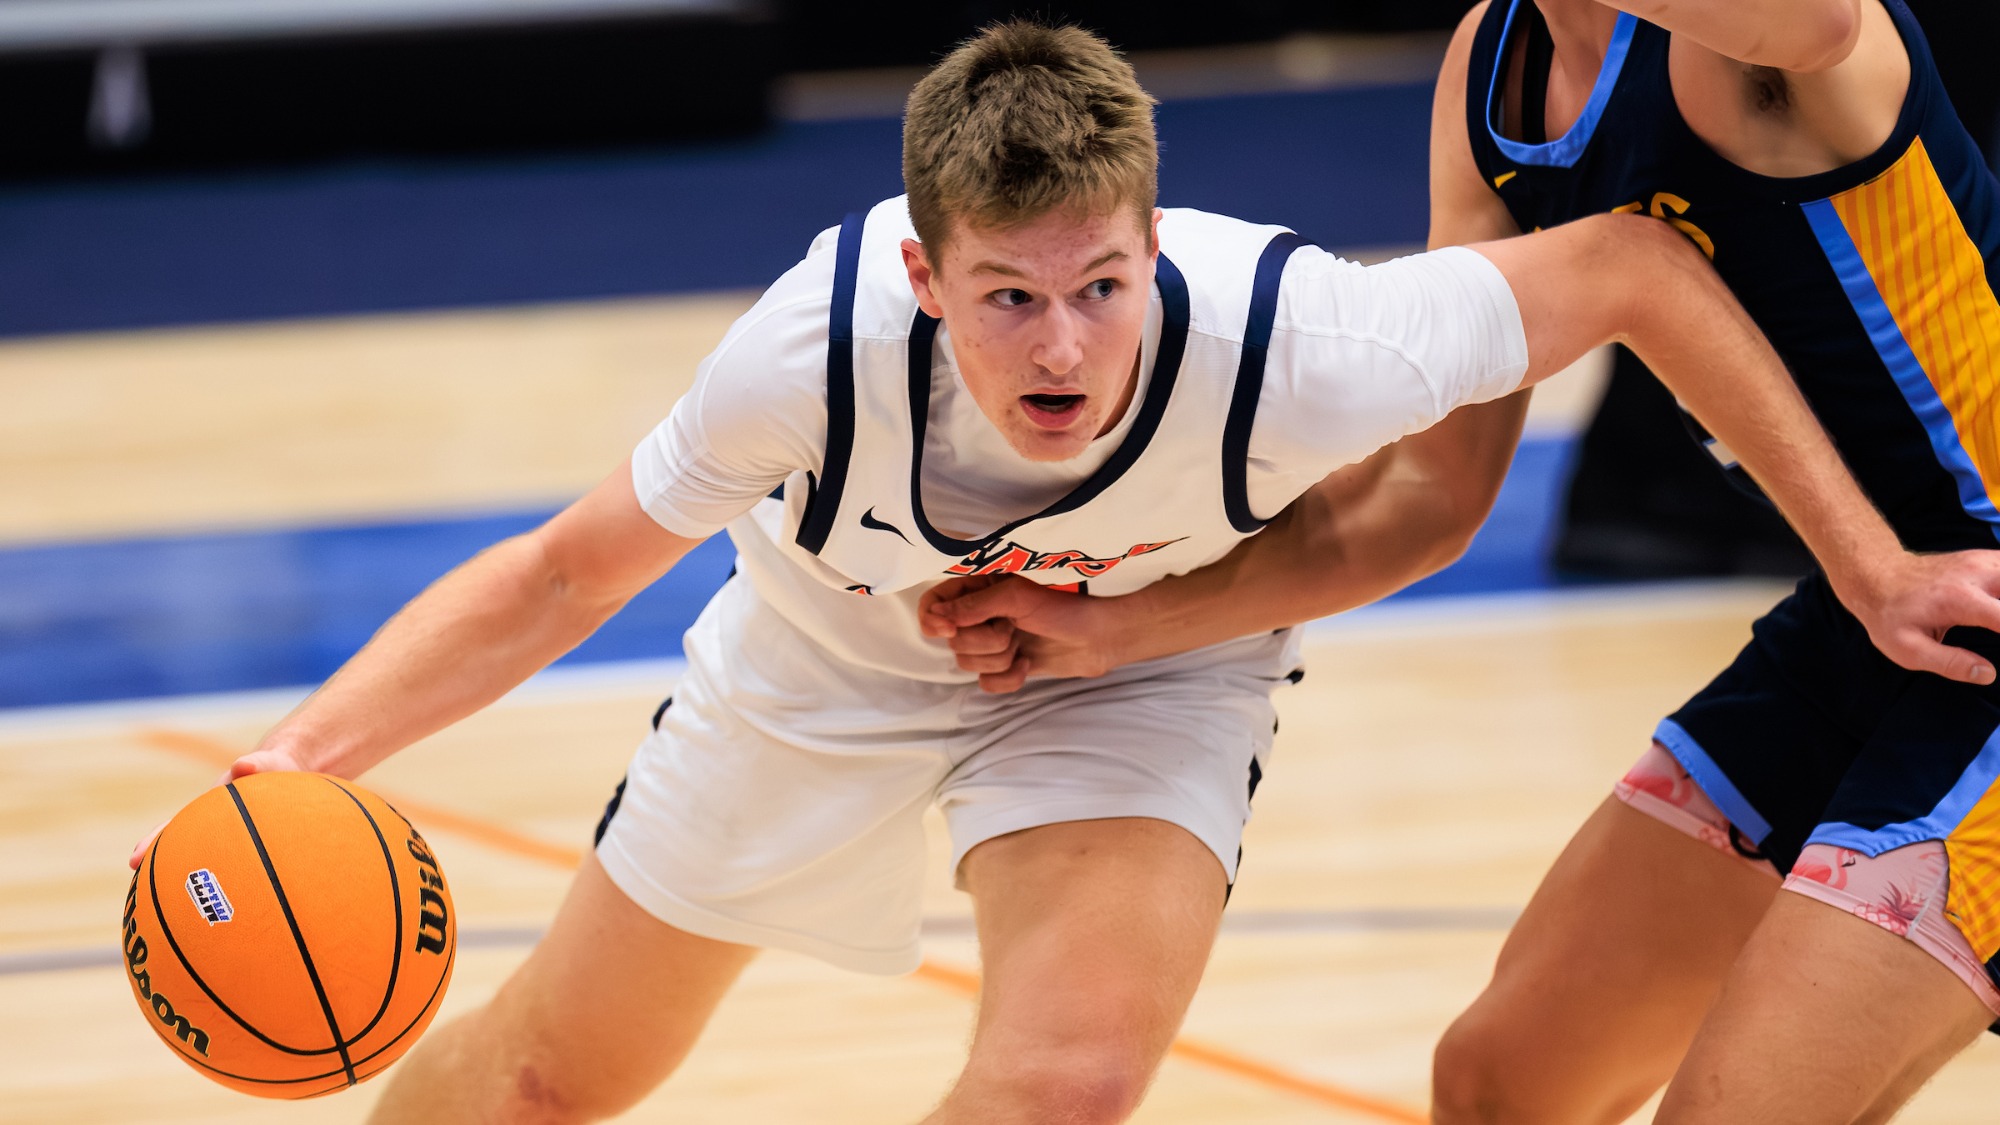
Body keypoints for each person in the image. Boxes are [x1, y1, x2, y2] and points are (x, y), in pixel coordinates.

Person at [131, 20, 1973, 1125]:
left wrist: (1133, 627)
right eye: (1009, 295)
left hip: (1143, 676)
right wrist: (299, 761)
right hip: (819, 662)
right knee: (552, 1079)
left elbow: (1636, 275)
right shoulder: (811, 351)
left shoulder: (1293, 333)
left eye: (1101, 284)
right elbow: (556, 574)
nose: (1065, 343)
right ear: (926, 277)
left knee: (1068, 1078)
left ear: (1157, 248)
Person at [921, 2, 2000, 1121]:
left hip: (1975, 619)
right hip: (1871, 618)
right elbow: (1426, 495)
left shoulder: (1735, 44)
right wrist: (1112, 626)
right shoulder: (1493, 68)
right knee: (1500, 1084)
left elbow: (1825, 22)